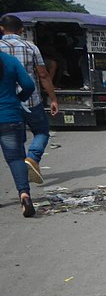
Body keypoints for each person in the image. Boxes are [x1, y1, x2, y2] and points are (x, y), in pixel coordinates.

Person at [0, 14, 59, 185]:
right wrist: (53, 99)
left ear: (2, 28)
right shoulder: (30, 47)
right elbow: (43, 75)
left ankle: (22, 176)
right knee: (41, 132)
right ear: (21, 30)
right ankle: (32, 158)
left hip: (6, 104)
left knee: (15, 144)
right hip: (31, 101)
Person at [0, 50, 36, 216]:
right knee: (15, 159)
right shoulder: (9, 60)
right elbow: (28, 85)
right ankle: (24, 195)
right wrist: (19, 98)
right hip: (9, 115)